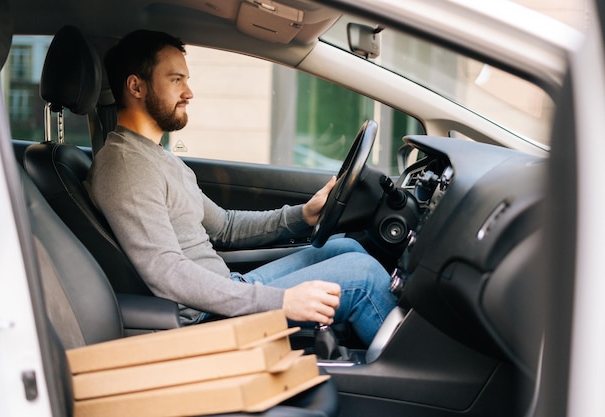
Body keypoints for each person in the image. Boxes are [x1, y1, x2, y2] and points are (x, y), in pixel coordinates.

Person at [86, 29, 397, 346]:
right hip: (205, 317)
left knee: (343, 248)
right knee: (364, 275)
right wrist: (279, 301)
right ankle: (416, 386)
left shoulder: (157, 158)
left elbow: (225, 226)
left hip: (224, 287)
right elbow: (166, 272)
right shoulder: (126, 167)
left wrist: (302, 215)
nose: (189, 92)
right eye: (176, 80)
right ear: (136, 86)